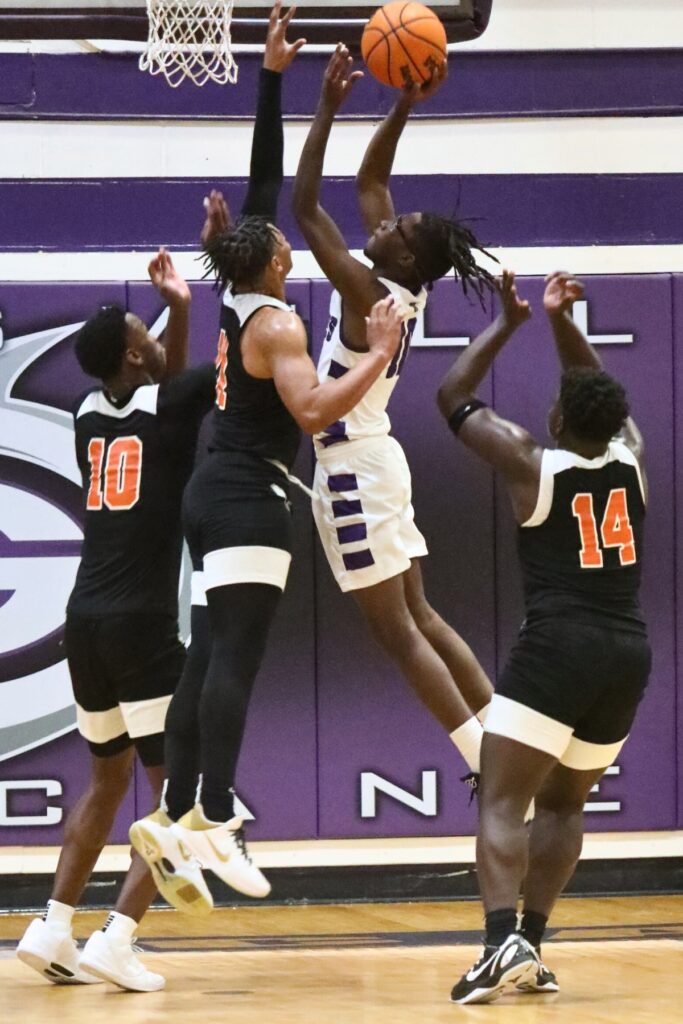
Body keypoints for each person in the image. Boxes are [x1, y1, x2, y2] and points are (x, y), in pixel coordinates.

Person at [128, 6, 404, 916]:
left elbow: (259, 188)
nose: (286, 236)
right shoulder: (279, 320)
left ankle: (171, 811)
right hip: (250, 495)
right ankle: (213, 812)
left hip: (212, 493)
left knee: (207, 649)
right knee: (236, 653)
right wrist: (378, 351)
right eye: (282, 237)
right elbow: (316, 408)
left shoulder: (240, 298)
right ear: (274, 260)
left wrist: (276, 79)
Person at [438, 271, 651, 1004]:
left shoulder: (533, 464)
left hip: (557, 643)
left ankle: (500, 943)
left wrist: (510, 322)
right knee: (564, 806)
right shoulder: (631, 458)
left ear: (559, 421)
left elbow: (452, 399)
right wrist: (566, 322)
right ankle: (532, 944)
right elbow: (601, 394)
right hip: (625, 653)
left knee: (501, 801)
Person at [292, 46, 495, 782]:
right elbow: (371, 179)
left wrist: (323, 108)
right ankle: (502, 738)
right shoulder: (400, 279)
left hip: (353, 468)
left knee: (400, 633)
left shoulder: (364, 291)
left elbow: (307, 207)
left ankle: (484, 761)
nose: (380, 223)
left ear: (405, 260)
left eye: (395, 230)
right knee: (424, 617)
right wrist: (404, 101)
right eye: (392, 223)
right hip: (377, 459)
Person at [16, 250, 216, 992]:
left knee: (105, 783)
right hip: (140, 624)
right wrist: (192, 304)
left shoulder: (85, 413)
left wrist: (177, 308)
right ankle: (118, 937)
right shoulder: (165, 403)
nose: (156, 334)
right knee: (182, 798)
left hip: (86, 622)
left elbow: (166, 394)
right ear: (137, 351)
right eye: (149, 328)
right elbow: (181, 394)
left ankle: (53, 927)